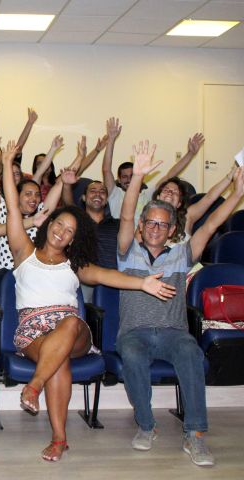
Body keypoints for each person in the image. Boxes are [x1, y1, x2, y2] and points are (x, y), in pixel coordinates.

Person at [1, 141, 175, 462]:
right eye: (59, 224)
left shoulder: (75, 265)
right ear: (48, 224)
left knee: (67, 327)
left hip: (73, 330)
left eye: (69, 231)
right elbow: (13, 210)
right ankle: (59, 439)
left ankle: (33, 386)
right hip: (32, 332)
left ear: (73, 239)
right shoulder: (24, 253)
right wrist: (8, 162)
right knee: (58, 361)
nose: (62, 232)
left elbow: (110, 276)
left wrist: (143, 282)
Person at [116, 140, 244, 467]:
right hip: (135, 332)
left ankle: (195, 434)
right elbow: (128, 214)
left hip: (174, 332)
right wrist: (137, 179)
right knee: (130, 354)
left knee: (190, 352)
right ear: (143, 228)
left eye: (163, 224)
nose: (156, 228)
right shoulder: (127, 252)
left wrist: (237, 192)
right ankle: (146, 425)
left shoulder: (182, 254)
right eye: (151, 223)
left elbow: (213, 224)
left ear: (173, 229)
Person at [102, 117, 204, 221]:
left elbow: (170, 175)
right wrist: (111, 139)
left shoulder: (148, 194)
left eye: (132, 175)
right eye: (124, 176)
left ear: (141, 176)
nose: (129, 179)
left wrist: (190, 154)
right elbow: (106, 170)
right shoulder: (115, 194)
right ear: (119, 179)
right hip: (122, 234)